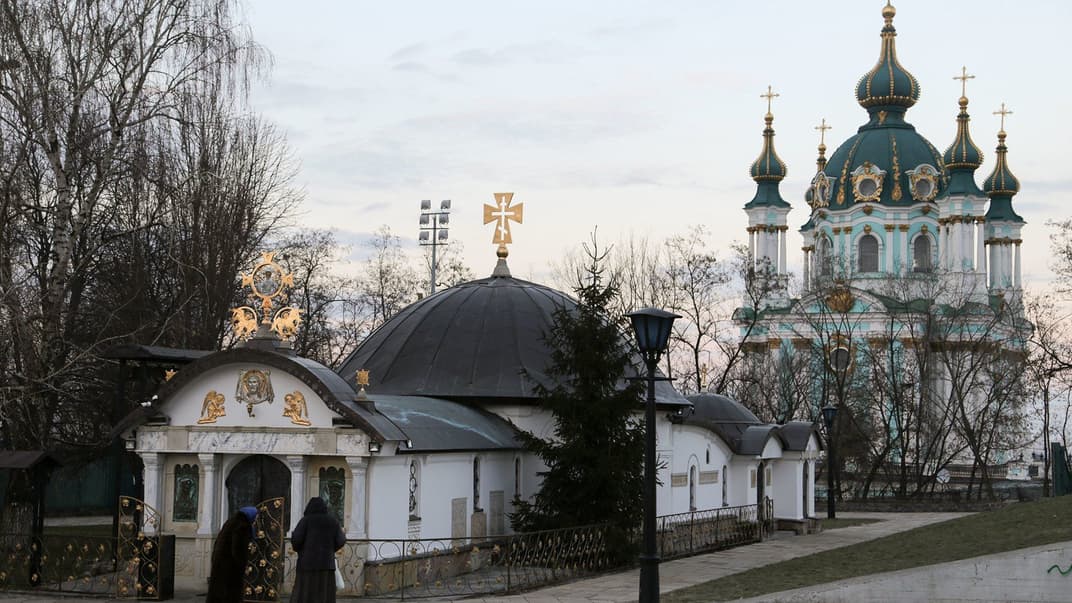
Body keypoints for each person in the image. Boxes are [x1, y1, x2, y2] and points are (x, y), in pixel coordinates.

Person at [289, 497, 347, 603]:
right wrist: (330, 550)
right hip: (326, 564)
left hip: (307, 564)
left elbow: (296, 539)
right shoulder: (332, 521)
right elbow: (341, 540)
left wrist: (301, 550)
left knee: (305, 594)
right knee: (324, 594)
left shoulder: (305, 520)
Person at [207, 506, 258, 603]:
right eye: (256, 517)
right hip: (230, 566)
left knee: (217, 591)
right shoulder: (243, 526)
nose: (256, 520)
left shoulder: (231, 522)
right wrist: (242, 564)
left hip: (220, 562)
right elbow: (238, 548)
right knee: (230, 594)